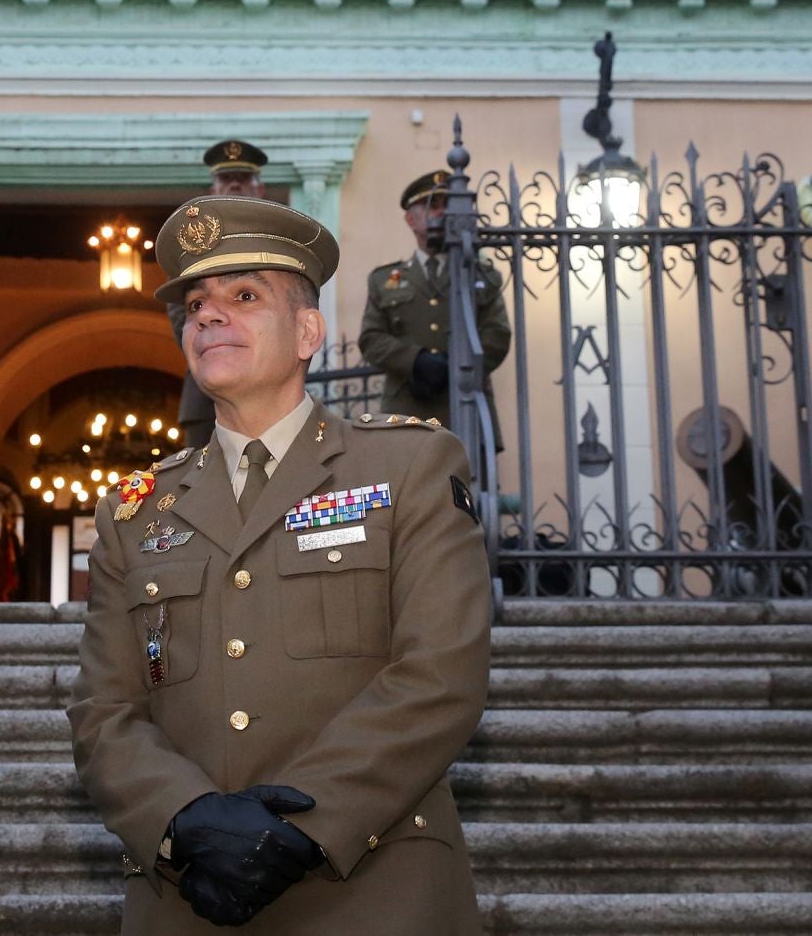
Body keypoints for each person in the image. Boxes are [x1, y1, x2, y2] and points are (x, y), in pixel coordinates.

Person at [67, 194, 491, 934]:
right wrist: (186, 816)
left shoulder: (408, 467)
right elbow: (106, 710)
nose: (207, 314)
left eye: (243, 294)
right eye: (195, 302)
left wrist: (301, 825)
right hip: (189, 895)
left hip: (371, 889)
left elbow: (440, 675)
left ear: (307, 331)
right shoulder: (135, 511)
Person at [358, 169, 512, 427]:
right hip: (406, 411)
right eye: (432, 205)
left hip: (467, 407)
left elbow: (497, 334)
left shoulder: (482, 274)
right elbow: (371, 338)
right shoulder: (383, 279)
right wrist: (416, 361)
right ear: (410, 220)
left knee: (469, 469)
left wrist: (455, 367)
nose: (441, 212)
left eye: (447, 206)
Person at [170, 141, 271, 449]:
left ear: (260, 189)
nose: (235, 184)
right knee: (204, 491)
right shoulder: (189, 246)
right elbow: (180, 313)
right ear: (212, 190)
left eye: (243, 177)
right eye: (227, 179)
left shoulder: (275, 240)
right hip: (207, 400)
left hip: (271, 391)